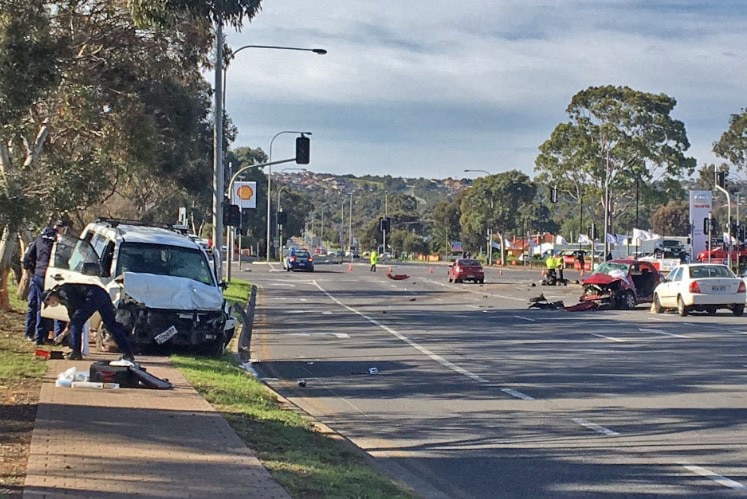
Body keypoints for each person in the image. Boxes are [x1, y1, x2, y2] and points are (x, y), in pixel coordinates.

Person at [42, 283, 135, 362]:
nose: (51, 304)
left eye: (49, 302)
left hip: (93, 296)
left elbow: (76, 310)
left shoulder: (63, 292)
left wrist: (69, 329)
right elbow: (72, 315)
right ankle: (128, 353)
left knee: (76, 323)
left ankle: (76, 352)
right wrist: (64, 333)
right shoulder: (62, 297)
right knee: (111, 325)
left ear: (50, 296)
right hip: (101, 294)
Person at [22, 220, 68, 345]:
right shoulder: (59, 242)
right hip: (51, 277)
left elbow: (27, 259)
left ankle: (32, 334)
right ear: (61, 229)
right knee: (51, 305)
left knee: (35, 305)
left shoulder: (40, 238)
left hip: (37, 276)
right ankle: (50, 336)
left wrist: (34, 271)